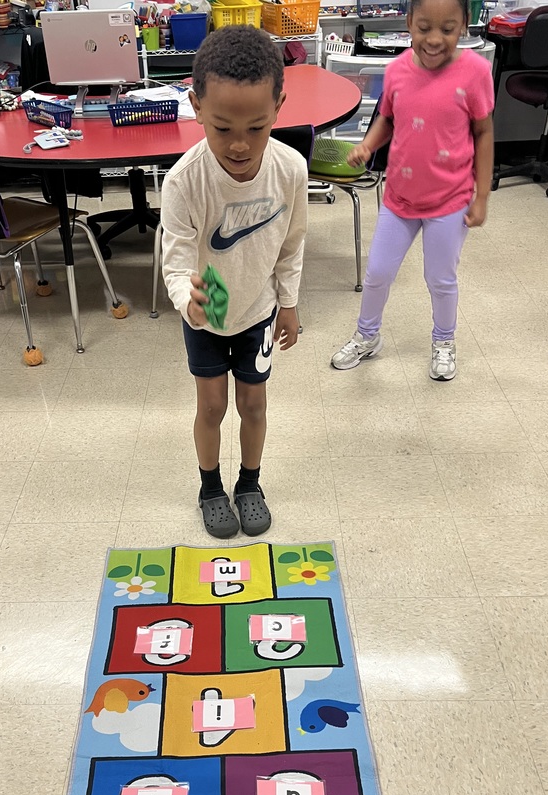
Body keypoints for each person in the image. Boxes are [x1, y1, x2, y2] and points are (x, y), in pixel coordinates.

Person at [161, 25, 307, 539]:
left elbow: (292, 243)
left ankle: (250, 484)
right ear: (196, 106)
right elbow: (176, 259)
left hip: (258, 309)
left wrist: (288, 303)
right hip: (210, 308)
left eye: (257, 127)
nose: (240, 145)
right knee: (212, 406)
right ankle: (209, 489)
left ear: (278, 108)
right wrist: (188, 300)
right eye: (222, 128)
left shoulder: (290, 170)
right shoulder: (184, 181)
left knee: (254, 405)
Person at [331, 0, 494, 381]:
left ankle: (444, 340)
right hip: (400, 198)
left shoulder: (475, 72)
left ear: (464, 25)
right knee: (377, 272)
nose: (434, 39)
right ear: (408, 23)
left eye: (447, 30)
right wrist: (367, 145)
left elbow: (484, 132)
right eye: (424, 28)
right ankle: (367, 335)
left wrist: (482, 196)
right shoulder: (398, 70)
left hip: (450, 200)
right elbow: (387, 118)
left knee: (440, 279)